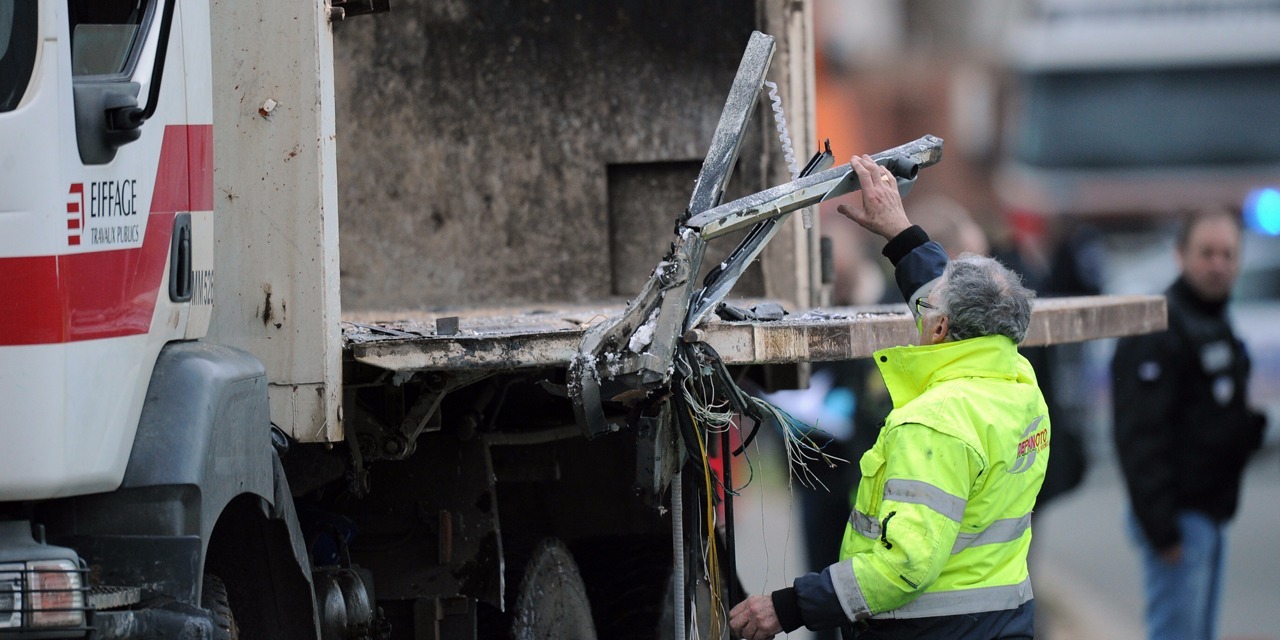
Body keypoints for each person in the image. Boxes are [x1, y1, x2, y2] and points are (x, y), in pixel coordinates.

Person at [729, 155, 1049, 640]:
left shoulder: (935, 425)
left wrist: (789, 607)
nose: (922, 308)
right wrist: (898, 230)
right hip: (1000, 621)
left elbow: (904, 566)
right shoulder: (1017, 382)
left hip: (933, 630)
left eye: (931, 308)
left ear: (941, 328)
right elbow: (949, 298)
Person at [1110, 207, 1267, 640]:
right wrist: (1163, 531)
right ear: (1180, 255)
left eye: (1228, 254)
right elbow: (1139, 436)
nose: (1218, 265)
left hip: (1210, 514)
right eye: (1207, 253)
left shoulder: (1213, 318)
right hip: (1178, 521)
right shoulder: (1158, 327)